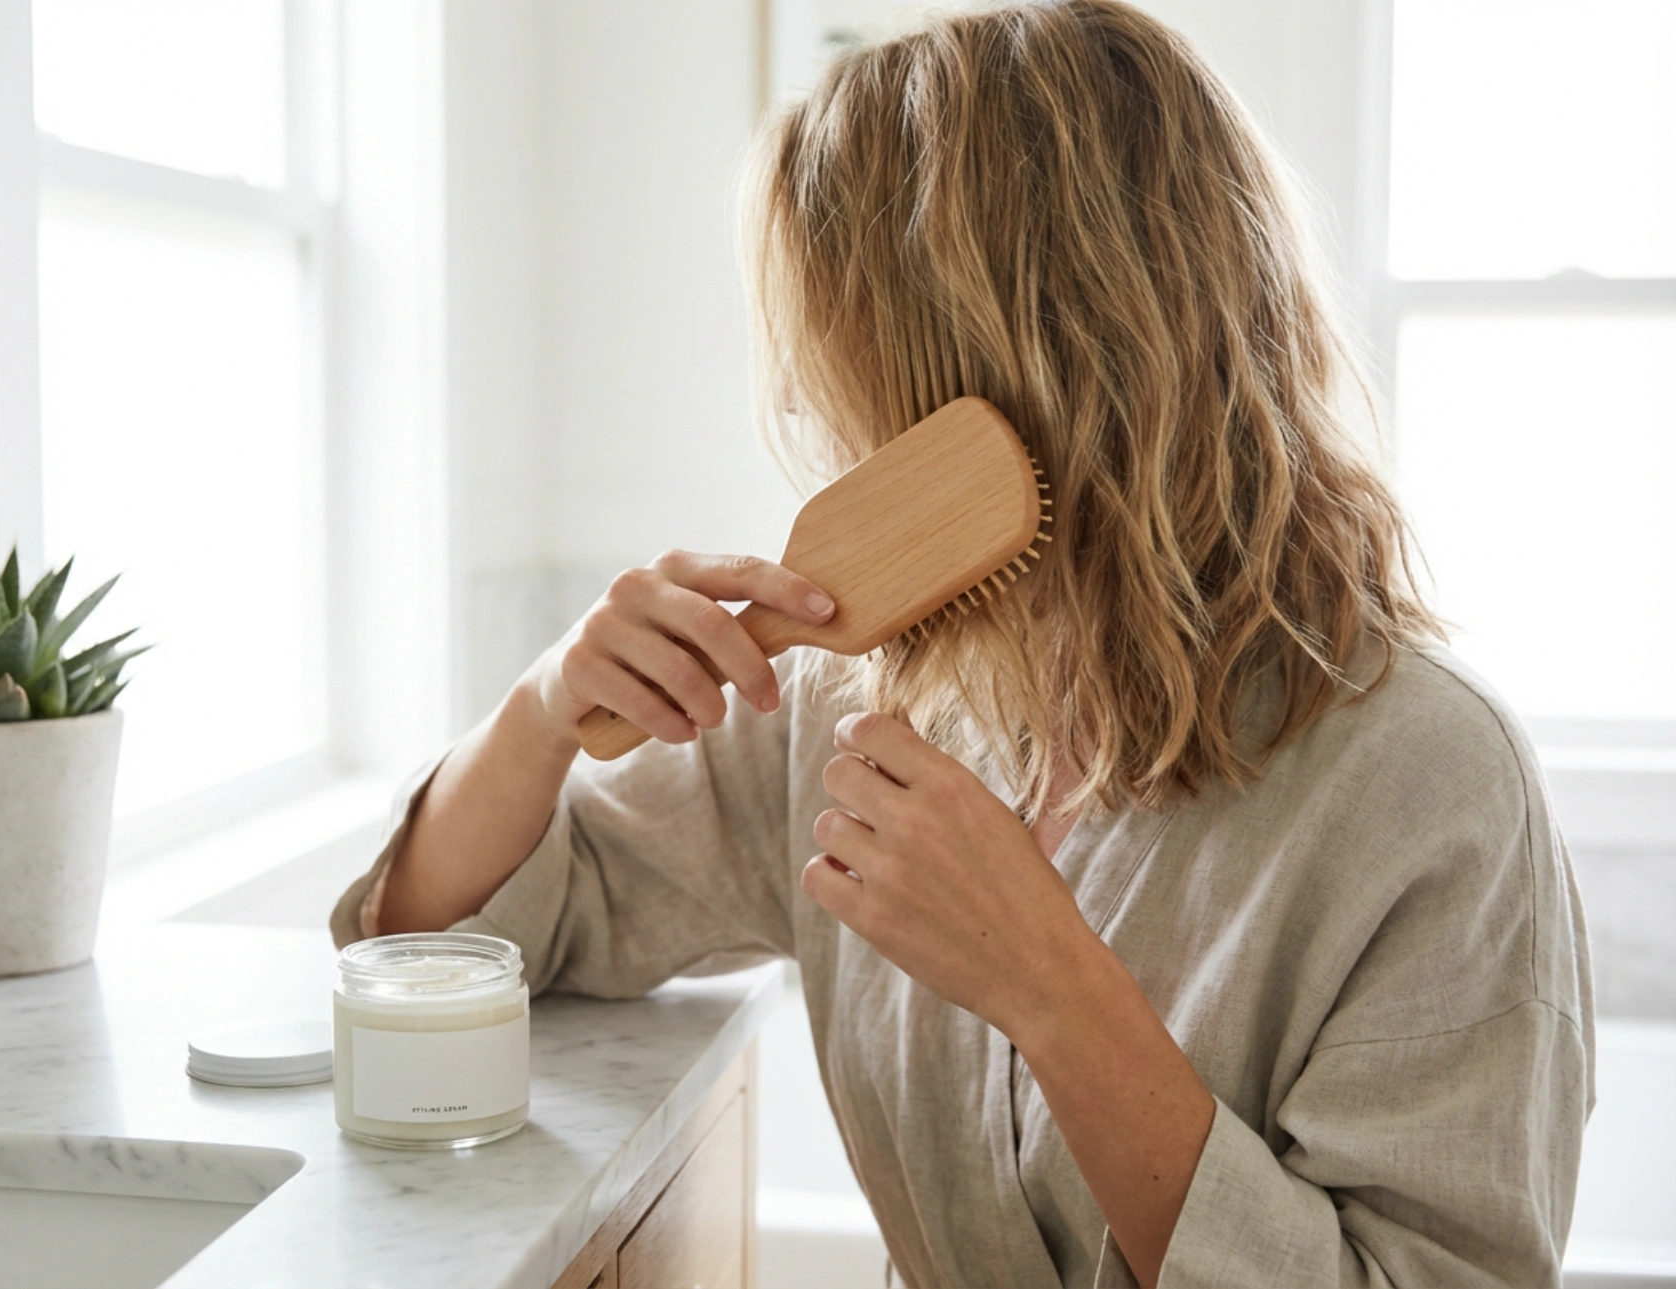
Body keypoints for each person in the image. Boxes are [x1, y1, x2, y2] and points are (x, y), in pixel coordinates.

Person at [332, 3, 1593, 1285]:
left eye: (838, 356)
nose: (801, 404)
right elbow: (455, 942)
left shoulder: (1430, 784)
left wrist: (1057, 993)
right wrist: (542, 714)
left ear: (1003, 366)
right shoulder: (845, 701)